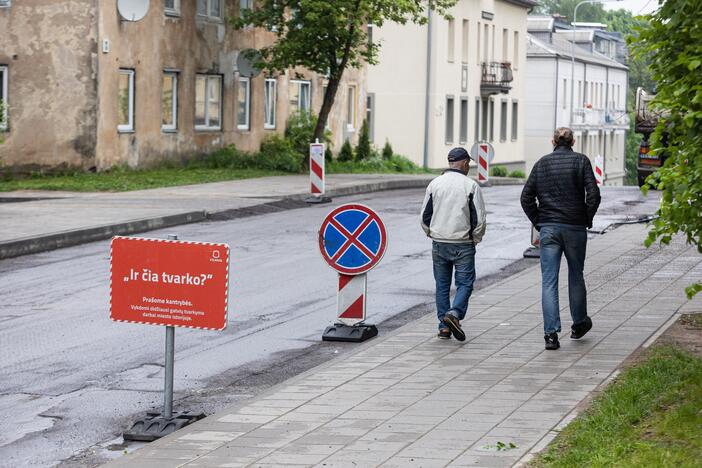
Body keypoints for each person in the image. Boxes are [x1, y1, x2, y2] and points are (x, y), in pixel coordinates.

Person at [520, 127, 601, 350]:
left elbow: (526, 197)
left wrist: (540, 221)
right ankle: (579, 323)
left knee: (549, 280)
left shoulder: (542, 164)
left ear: (552, 141)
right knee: (576, 275)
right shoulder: (581, 161)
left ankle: (551, 335)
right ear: (573, 141)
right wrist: (586, 217)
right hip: (575, 228)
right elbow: (593, 194)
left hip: (549, 229)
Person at [420, 147, 486, 341]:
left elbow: (425, 216)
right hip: (463, 242)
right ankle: (454, 313)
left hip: (439, 242)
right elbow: (479, 218)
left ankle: (444, 327)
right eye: (469, 163)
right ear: (464, 162)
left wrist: (431, 233)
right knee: (465, 283)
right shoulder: (470, 186)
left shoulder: (435, 184)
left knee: (442, 285)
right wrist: (475, 238)